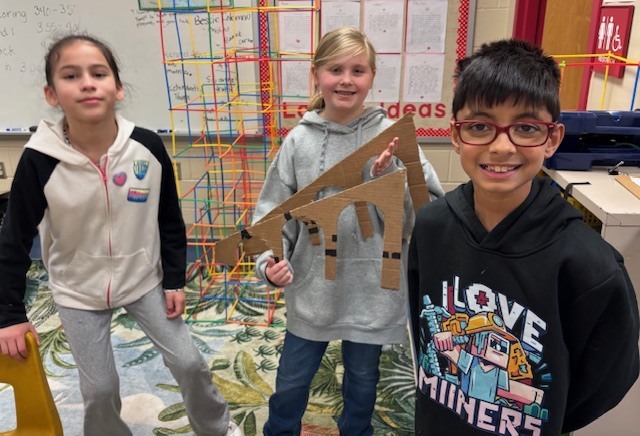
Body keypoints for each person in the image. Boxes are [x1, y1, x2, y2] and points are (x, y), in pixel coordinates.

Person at [0, 34, 241, 436]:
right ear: (52, 93)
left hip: (142, 279)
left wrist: (175, 278)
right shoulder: (39, 159)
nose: (88, 83)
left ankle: (218, 429)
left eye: (99, 73)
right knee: (99, 390)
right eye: (71, 75)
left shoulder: (147, 147)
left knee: (189, 363)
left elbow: (169, 219)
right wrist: (7, 314)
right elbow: (13, 239)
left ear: (118, 87)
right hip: (77, 289)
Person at [408, 38, 640, 435]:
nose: (501, 146)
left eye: (526, 128)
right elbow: (422, 323)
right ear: (456, 135)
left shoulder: (589, 264)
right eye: (480, 126)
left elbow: (607, 377)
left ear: (552, 138)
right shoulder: (430, 226)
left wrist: (543, 416)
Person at [252, 27, 444, 435]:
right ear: (316, 74)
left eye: (358, 69)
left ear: (372, 76)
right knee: (291, 382)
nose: (346, 79)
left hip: (373, 289)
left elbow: (425, 215)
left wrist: (390, 176)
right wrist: (268, 262)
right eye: (335, 68)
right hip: (312, 287)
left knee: (362, 382)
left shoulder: (393, 137)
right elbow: (272, 213)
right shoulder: (298, 142)